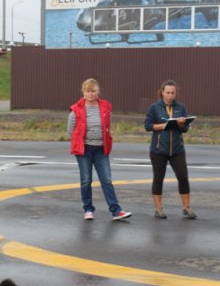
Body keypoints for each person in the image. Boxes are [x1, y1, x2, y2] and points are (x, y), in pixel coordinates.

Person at [67, 78, 132, 221]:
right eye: (88, 91)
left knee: (107, 180)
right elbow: (70, 131)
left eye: (93, 91)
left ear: (98, 92)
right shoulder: (76, 109)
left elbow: (107, 126)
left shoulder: (105, 107)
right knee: (86, 180)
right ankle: (88, 209)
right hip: (84, 150)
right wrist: (80, 142)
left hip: (101, 149)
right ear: (83, 92)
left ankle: (116, 211)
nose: (91, 94)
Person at [144, 79, 197, 219]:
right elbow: (147, 126)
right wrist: (164, 125)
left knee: (183, 177)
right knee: (158, 178)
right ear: (162, 92)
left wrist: (182, 124)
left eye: (172, 93)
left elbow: (185, 129)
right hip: (158, 150)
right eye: (167, 92)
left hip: (177, 150)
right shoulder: (154, 107)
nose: (170, 95)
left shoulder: (181, 108)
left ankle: (186, 208)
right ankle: (158, 209)